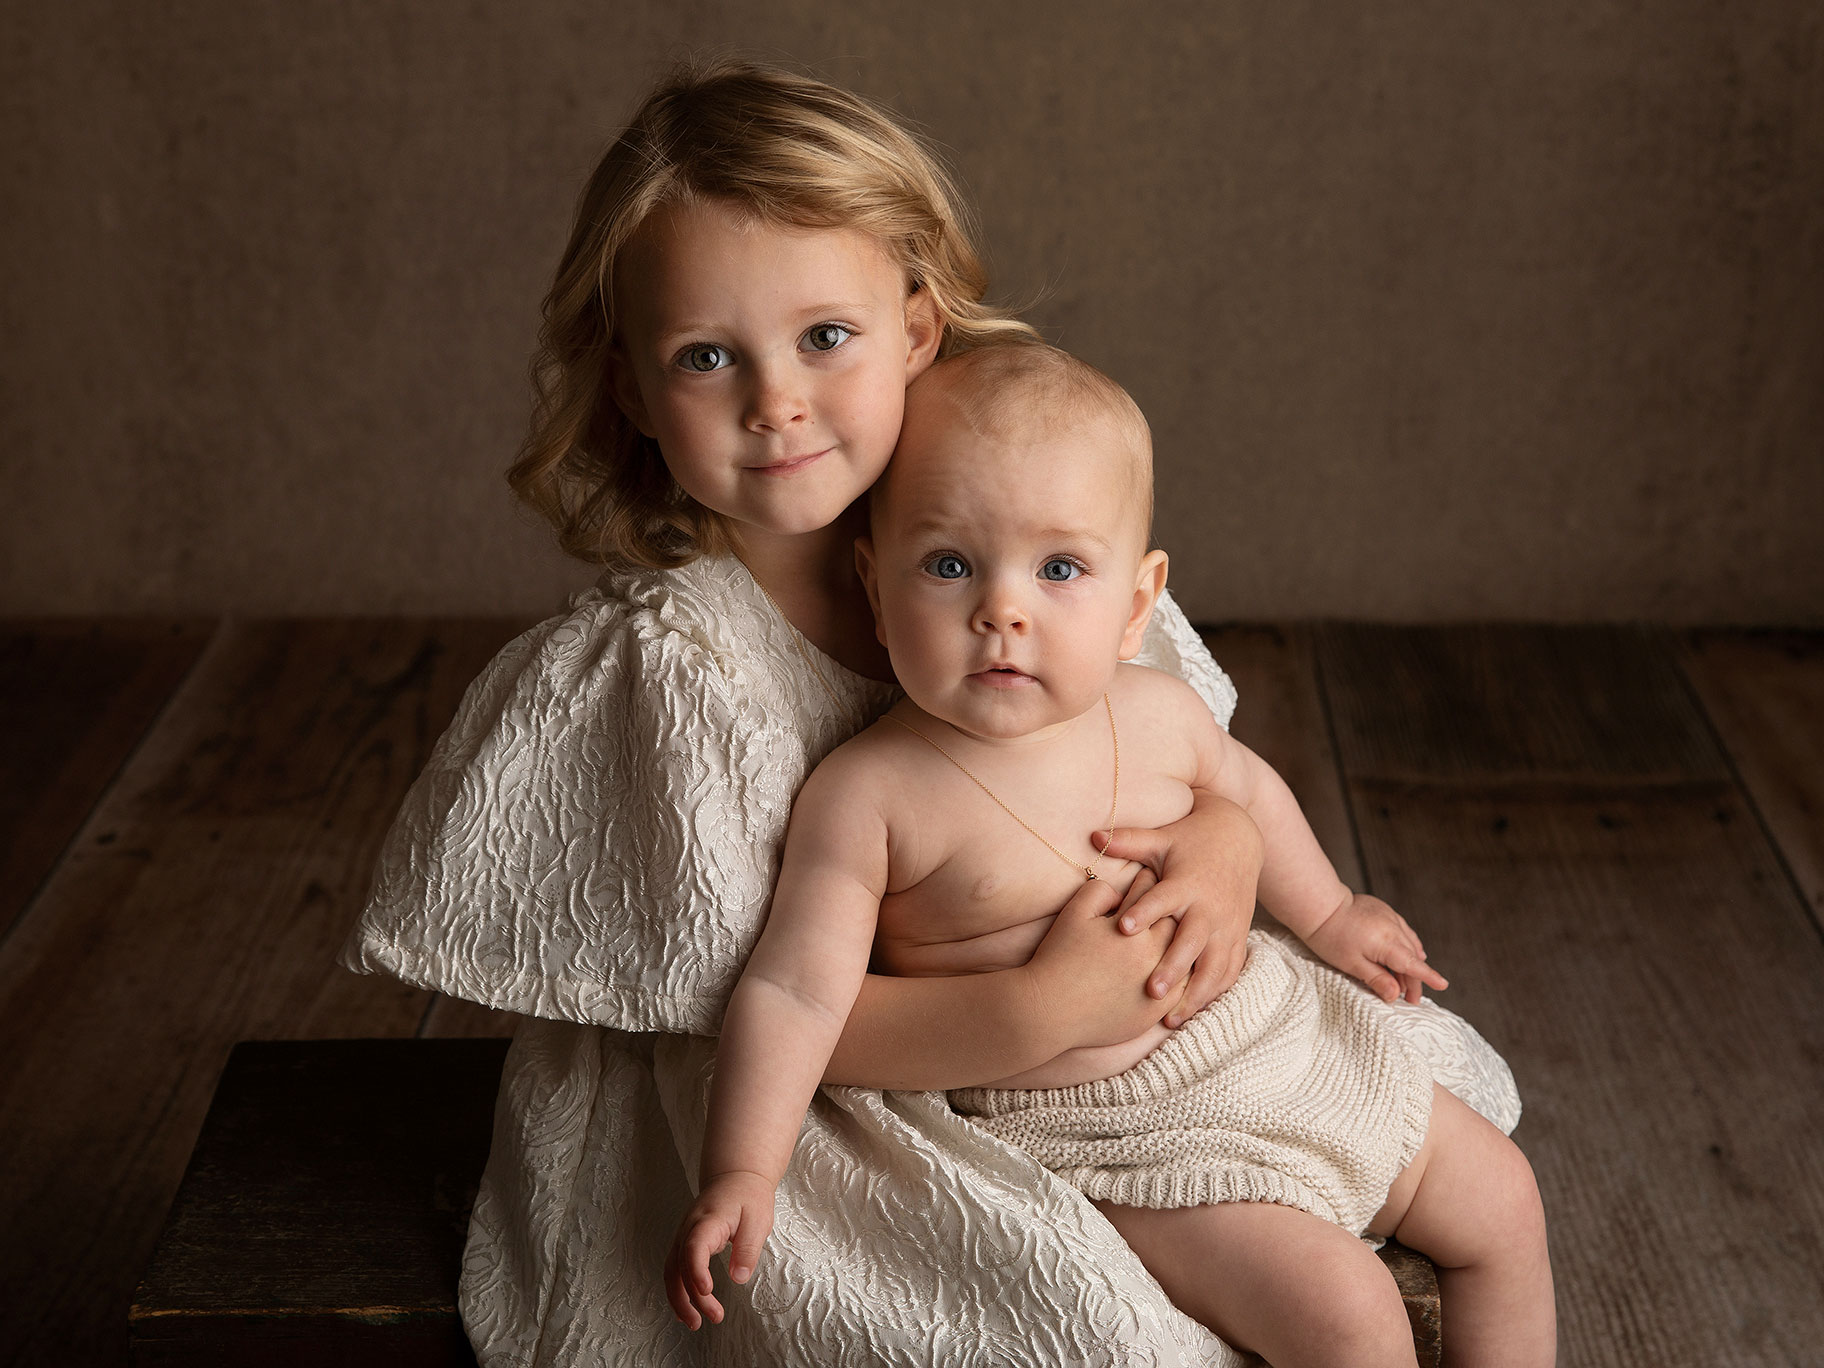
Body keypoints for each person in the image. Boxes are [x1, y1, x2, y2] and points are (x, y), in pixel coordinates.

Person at [341, 59, 1521, 1366]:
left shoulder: (1009, 513)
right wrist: (1037, 1012)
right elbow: (761, 1004)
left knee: (1451, 1160)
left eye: (825, 337)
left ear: (913, 326)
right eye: (706, 356)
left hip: (1141, 1032)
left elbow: (1180, 747)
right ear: (630, 388)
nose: (775, 400)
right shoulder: (676, 676)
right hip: (813, 1104)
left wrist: (1226, 852)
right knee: (1083, 1336)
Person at [668, 344, 1555, 1367]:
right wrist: (742, 1169)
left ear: (1138, 601)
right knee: (1349, 1315)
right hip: (1108, 1135)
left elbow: (1251, 793)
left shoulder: (1161, 712)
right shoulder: (870, 796)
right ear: (874, 585)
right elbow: (794, 995)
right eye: (949, 564)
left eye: (1060, 570)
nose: (1004, 610)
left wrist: (1330, 912)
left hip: (1268, 1040)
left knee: (1504, 1200)